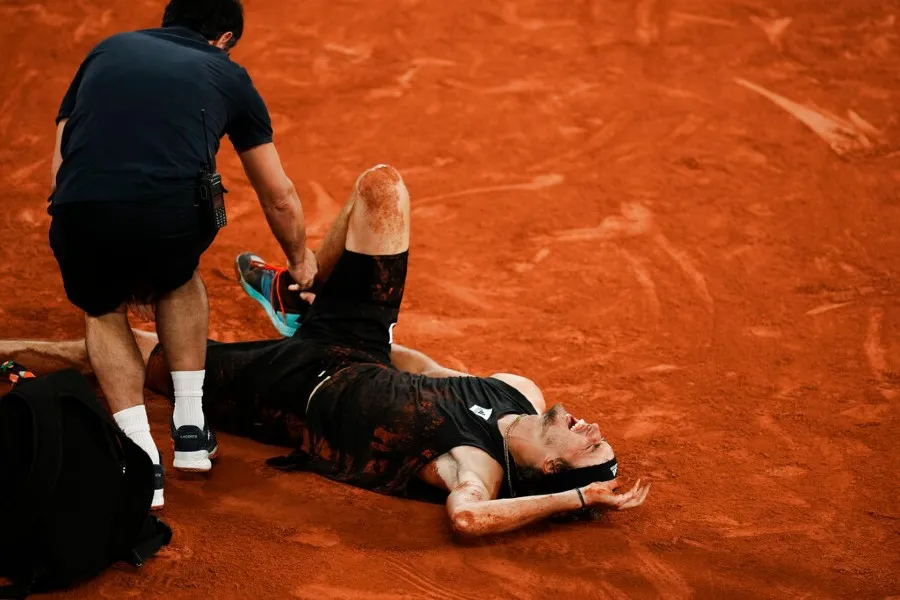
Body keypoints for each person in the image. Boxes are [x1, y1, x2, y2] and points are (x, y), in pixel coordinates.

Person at [8, 165, 650, 534]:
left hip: (286, 392)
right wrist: (357, 317)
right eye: (599, 434)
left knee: (140, 352)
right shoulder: (520, 390)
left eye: (590, 445)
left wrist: (579, 502)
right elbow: (425, 370)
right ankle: (293, 290)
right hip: (357, 344)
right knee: (383, 187)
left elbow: (468, 521)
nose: (592, 426)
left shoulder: (475, 468)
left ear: (551, 471)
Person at [48, 0, 318, 509]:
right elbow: (278, 195)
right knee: (179, 277)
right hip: (169, 218)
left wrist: (90, 234)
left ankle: (139, 459)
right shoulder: (228, 73)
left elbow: (63, 156)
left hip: (80, 209)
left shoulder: (105, 50)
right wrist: (300, 259)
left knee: (102, 310)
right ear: (225, 39)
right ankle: (190, 428)